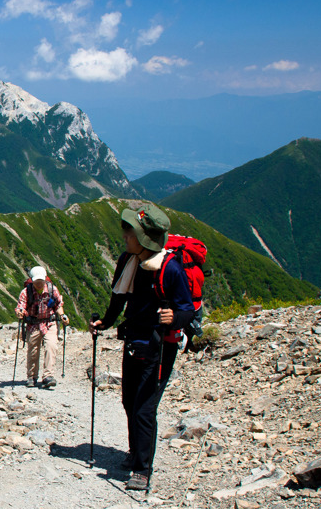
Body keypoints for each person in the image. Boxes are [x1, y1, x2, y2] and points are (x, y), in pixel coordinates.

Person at [90, 205, 194, 491]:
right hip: (135, 341)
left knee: (144, 409)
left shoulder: (169, 268)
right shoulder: (128, 260)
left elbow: (188, 309)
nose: (124, 236)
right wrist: (104, 322)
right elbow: (118, 300)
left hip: (160, 346)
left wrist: (175, 317)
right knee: (128, 401)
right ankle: (135, 452)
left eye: (130, 232)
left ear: (144, 238)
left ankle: (142, 470)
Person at [16, 266, 69, 388]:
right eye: (36, 282)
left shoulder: (51, 289)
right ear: (32, 281)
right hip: (33, 324)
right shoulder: (26, 292)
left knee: (51, 346)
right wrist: (20, 312)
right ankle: (32, 376)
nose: (39, 284)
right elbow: (21, 306)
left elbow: (58, 304)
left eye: (41, 282)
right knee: (33, 350)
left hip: (49, 322)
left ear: (45, 279)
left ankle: (48, 376)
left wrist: (62, 315)